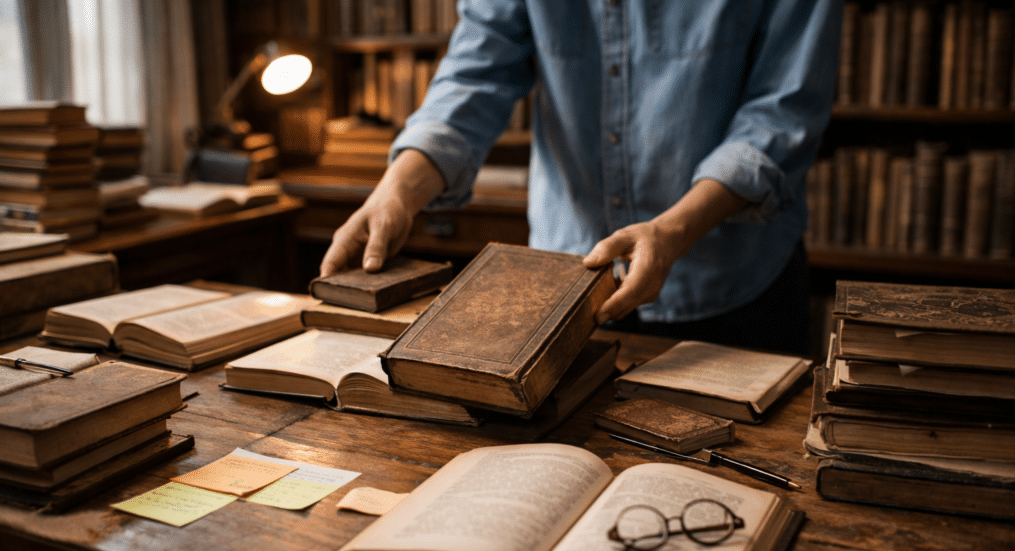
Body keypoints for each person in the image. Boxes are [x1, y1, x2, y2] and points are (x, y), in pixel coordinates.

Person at [320, 0, 844, 356]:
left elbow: (782, 113)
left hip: (733, 286)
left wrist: (675, 229)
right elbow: (475, 77)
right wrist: (397, 190)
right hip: (568, 280)